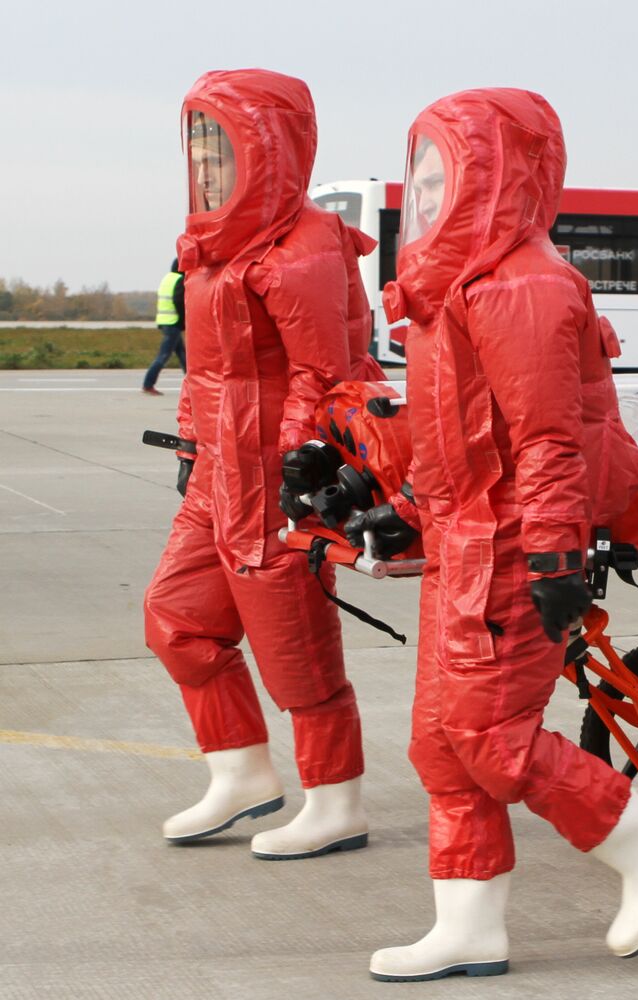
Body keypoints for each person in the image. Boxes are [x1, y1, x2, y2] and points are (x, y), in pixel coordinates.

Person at [353, 89, 638, 982]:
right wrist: (415, 512)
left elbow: (546, 439)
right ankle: (468, 925)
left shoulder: (523, 285)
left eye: (445, 179)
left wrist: (553, 554)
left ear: (495, 179)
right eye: (419, 182)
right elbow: (456, 433)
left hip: (513, 547)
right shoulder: (453, 291)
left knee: (492, 736)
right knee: (441, 741)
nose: (427, 199)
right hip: (464, 542)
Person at [144, 69, 384, 862]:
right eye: (198, 150)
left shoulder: (307, 243)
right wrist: (190, 442)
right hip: (219, 470)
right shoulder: (213, 244)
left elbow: (322, 373)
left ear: (267, 153)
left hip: (276, 479)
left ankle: (335, 799)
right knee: (176, 616)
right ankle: (241, 772)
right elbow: (205, 370)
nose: (205, 168)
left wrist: (293, 468)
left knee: (294, 641)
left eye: (221, 149)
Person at [143, 258, 186, 396]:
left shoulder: (167, 278)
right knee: (163, 356)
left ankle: (192, 383)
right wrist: (184, 320)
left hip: (164, 321)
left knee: (182, 354)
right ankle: (148, 384)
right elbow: (179, 301)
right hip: (173, 322)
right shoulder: (179, 279)